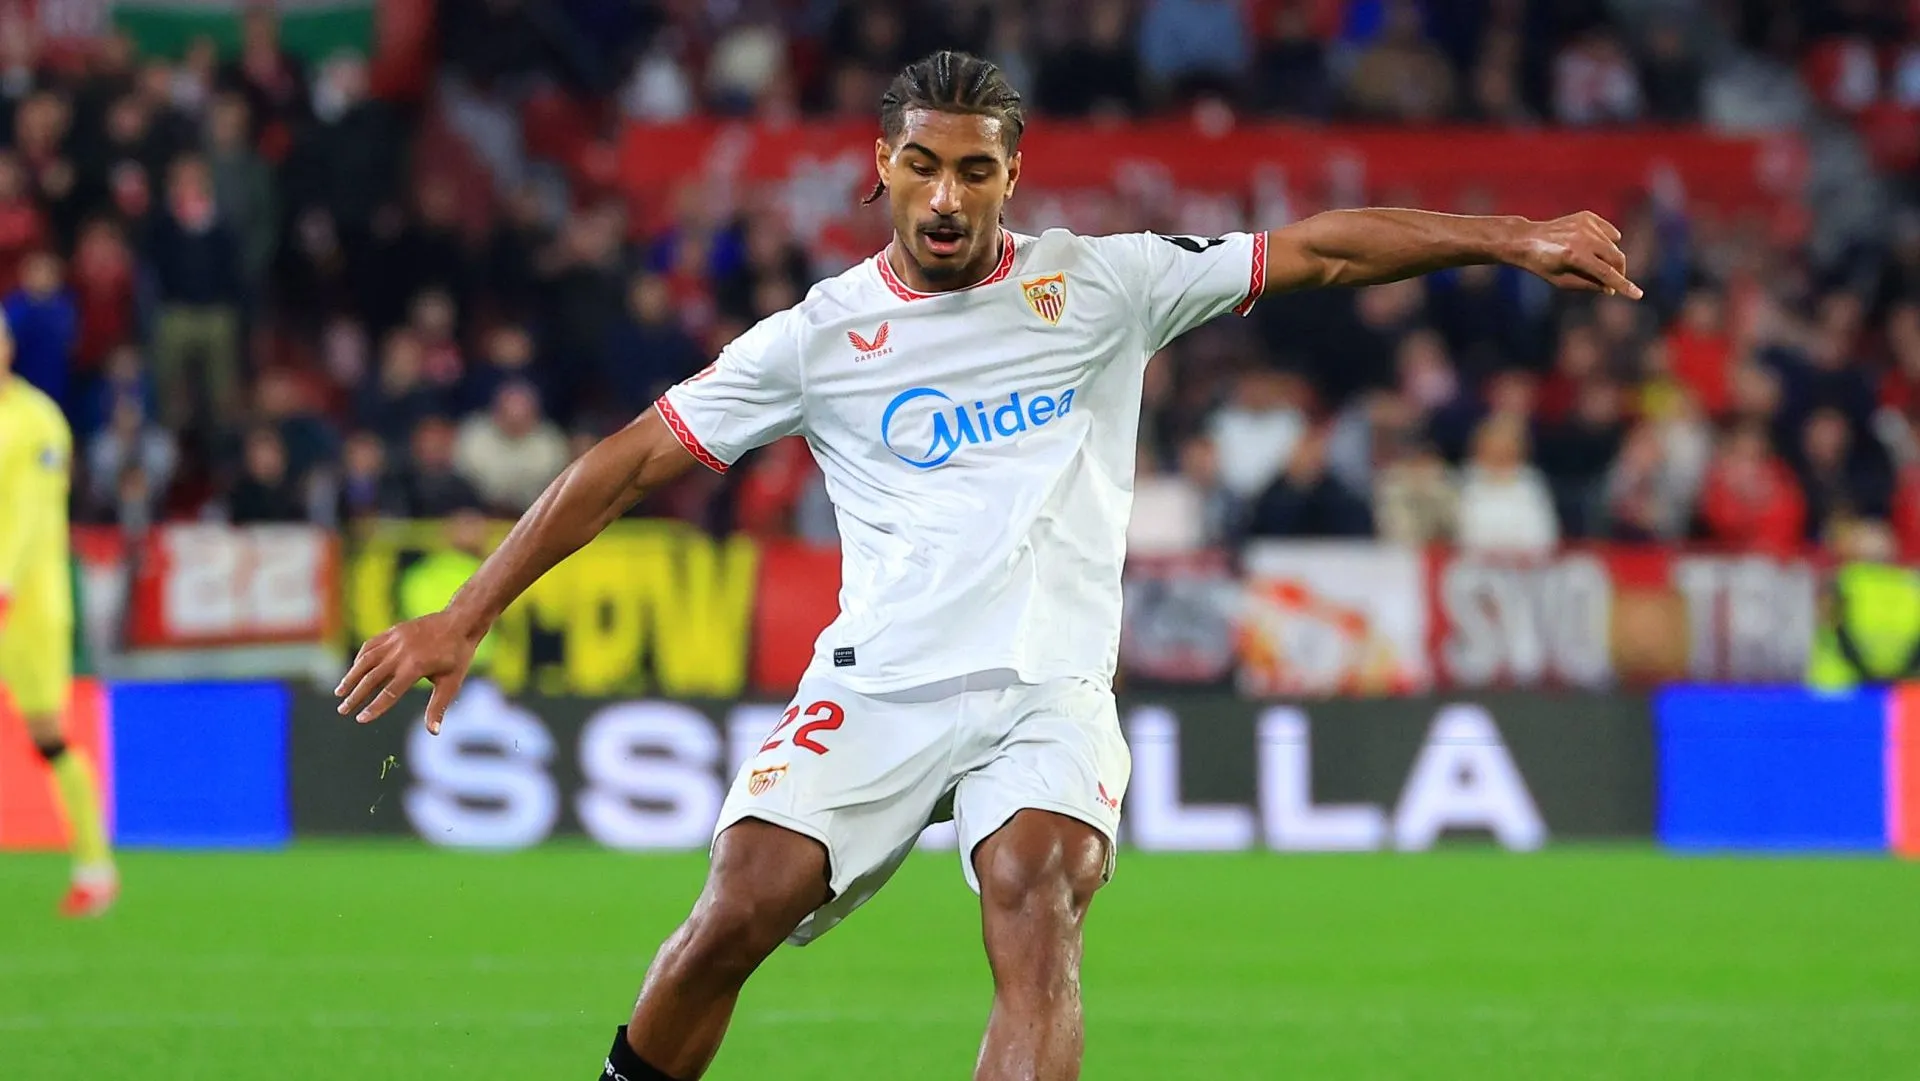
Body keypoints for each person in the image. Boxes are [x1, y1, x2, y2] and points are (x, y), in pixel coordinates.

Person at [334, 50, 1639, 1081]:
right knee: (739, 908)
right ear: (880, 169)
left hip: (1047, 692)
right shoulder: (816, 336)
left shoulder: (1108, 284)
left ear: (1013, 177)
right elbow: (628, 461)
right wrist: (465, 610)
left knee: (1037, 884)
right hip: (884, 681)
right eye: (921, 166)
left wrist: (1511, 235)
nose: (946, 196)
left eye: (973, 170)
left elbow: (1321, 250)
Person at [0, 315, 116, 918]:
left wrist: (5, 584)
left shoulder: (38, 419)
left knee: (47, 737)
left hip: (28, 606)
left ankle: (95, 867)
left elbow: (29, 512)